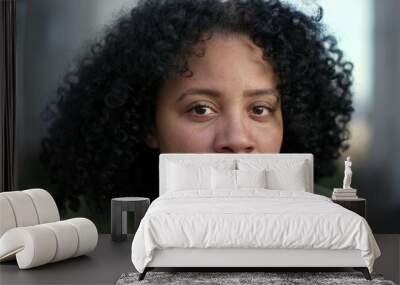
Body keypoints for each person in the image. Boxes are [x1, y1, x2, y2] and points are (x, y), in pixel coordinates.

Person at [40, 0, 354, 229]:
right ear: (149, 124)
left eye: (260, 109)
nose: (236, 139)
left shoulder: (331, 219)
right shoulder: (100, 236)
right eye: (201, 109)